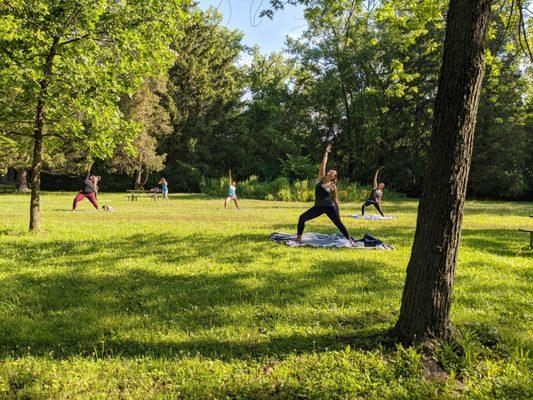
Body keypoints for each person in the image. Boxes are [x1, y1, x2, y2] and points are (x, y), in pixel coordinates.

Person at [296, 144, 354, 244]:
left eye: (333, 172)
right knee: (302, 218)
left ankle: (350, 240)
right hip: (318, 207)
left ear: (334, 177)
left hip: (330, 207)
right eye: (331, 170)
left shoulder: (333, 186)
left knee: (338, 223)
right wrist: (326, 153)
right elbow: (323, 164)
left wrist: (338, 212)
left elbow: (336, 199)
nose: (331, 171)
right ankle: (298, 238)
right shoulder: (321, 178)